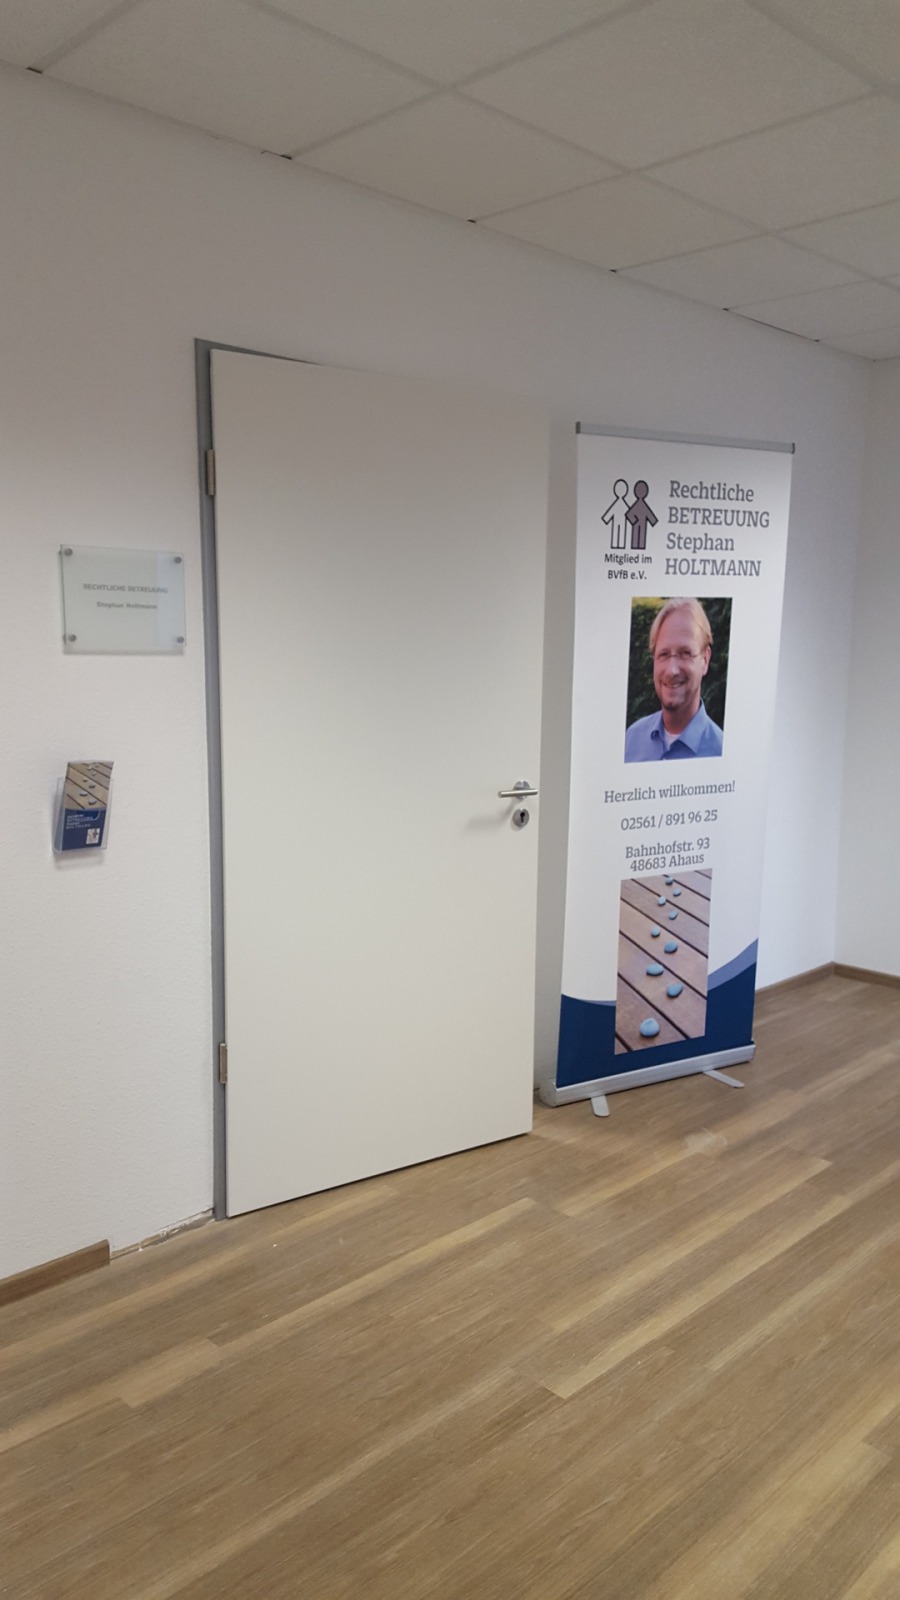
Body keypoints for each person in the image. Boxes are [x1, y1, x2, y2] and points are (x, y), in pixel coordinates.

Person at [624, 597, 723, 761]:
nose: (671, 670)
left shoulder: (720, 752)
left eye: (685, 653)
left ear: (705, 660)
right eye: (663, 654)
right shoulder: (632, 740)